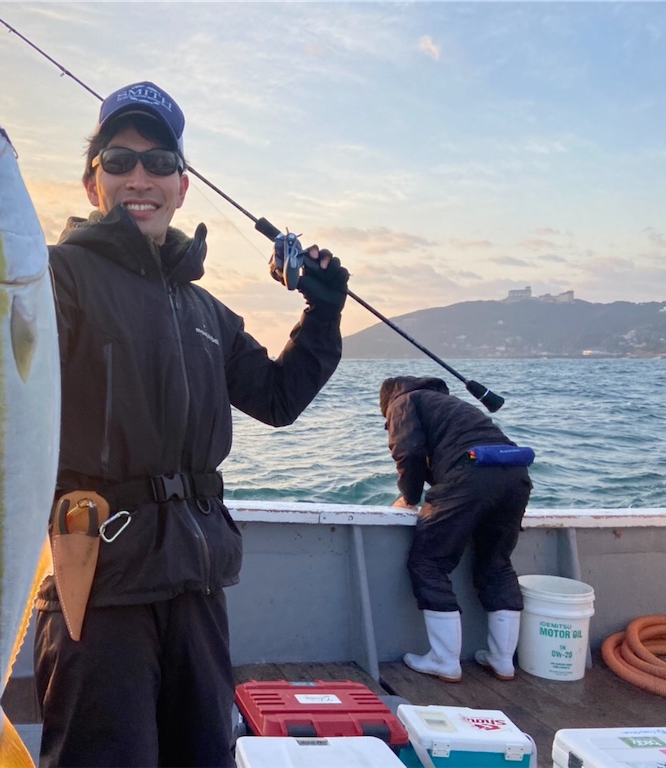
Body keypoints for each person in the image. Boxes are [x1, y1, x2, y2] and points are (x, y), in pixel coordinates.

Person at [32, 81, 349, 768]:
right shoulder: (54, 278)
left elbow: (276, 397)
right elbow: (3, 359)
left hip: (197, 583)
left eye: (158, 163)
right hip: (101, 584)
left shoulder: (205, 312)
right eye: (118, 160)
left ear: (182, 186)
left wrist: (321, 316)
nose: (138, 177)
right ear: (93, 185)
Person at [379, 375, 533, 683]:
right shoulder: (450, 404)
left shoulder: (402, 401)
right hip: (515, 475)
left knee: (429, 561)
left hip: (470, 472)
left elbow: (407, 450)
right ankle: (502, 661)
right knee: (497, 564)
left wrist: (409, 498)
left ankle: (444, 660)